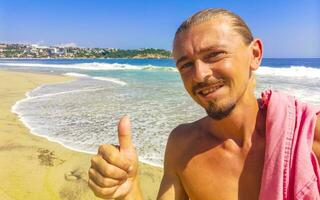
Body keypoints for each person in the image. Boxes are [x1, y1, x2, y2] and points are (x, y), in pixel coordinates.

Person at [88, 8, 320, 200]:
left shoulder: (309, 136)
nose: (199, 75)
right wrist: (127, 191)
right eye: (186, 65)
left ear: (255, 54)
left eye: (214, 55)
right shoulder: (183, 146)